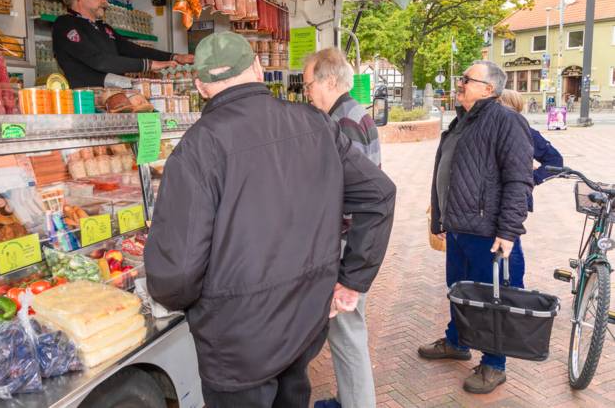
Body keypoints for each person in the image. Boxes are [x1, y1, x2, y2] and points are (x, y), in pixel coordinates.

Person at [145, 32, 396, 408]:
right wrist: (351, 279)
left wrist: (177, 301)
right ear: (258, 70)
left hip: (235, 343)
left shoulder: (196, 149)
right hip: (302, 323)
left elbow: (176, 274)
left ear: (201, 85)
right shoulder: (317, 124)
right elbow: (380, 194)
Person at [418, 61, 533, 395]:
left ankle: (495, 364)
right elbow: (447, 170)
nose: (460, 83)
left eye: (467, 79)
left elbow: (518, 180)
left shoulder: (506, 122)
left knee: (492, 299)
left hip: (489, 233)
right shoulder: (461, 122)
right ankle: (457, 341)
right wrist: (440, 217)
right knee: (458, 289)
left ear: (489, 89)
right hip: (458, 228)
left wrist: (509, 231)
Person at [303, 48, 381, 408]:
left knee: (346, 332)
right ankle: (348, 397)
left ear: (329, 80)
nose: (307, 93)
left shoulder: (342, 121)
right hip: (353, 241)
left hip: (347, 244)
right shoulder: (353, 113)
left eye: (308, 85)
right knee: (347, 331)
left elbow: (354, 193)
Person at [52, 0, 193, 88]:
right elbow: (99, 61)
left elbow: (133, 50)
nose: (104, 0)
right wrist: (149, 65)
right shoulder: (65, 24)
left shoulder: (103, 27)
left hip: (114, 96)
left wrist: (174, 57)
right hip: (85, 102)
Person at [499, 89, 563, 211]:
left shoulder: (527, 132)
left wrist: (532, 178)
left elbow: (555, 160)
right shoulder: (492, 128)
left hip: (514, 199)